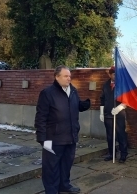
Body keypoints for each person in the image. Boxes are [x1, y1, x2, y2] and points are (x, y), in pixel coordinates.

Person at [35, 65, 90, 194]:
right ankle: (52, 190)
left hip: (70, 137)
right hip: (52, 138)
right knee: (51, 167)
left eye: (70, 76)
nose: (69, 78)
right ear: (57, 77)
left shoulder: (73, 91)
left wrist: (84, 104)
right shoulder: (47, 93)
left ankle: (64, 185)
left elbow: (75, 106)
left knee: (66, 164)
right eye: (66, 76)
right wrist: (42, 138)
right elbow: (40, 117)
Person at [99, 66, 128, 163]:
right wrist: (101, 113)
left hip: (119, 114)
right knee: (110, 136)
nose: (116, 76)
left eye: (117, 74)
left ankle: (123, 154)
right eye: (114, 74)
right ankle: (112, 154)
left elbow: (127, 99)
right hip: (108, 114)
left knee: (121, 135)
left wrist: (120, 107)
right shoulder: (106, 85)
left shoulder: (122, 85)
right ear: (110, 74)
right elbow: (102, 99)